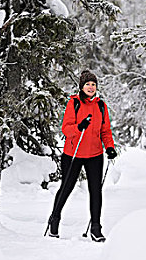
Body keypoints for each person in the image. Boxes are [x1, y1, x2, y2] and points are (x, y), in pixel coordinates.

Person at [46, 70, 117, 242]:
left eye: (93, 84)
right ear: (82, 87)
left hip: (95, 154)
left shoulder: (101, 106)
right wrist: (80, 126)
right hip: (73, 154)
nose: (91, 87)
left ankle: (96, 228)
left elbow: (105, 131)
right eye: (88, 84)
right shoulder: (74, 103)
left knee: (96, 192)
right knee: (66, 187)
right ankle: (54, 220)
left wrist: (109, 147)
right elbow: (66, 129)